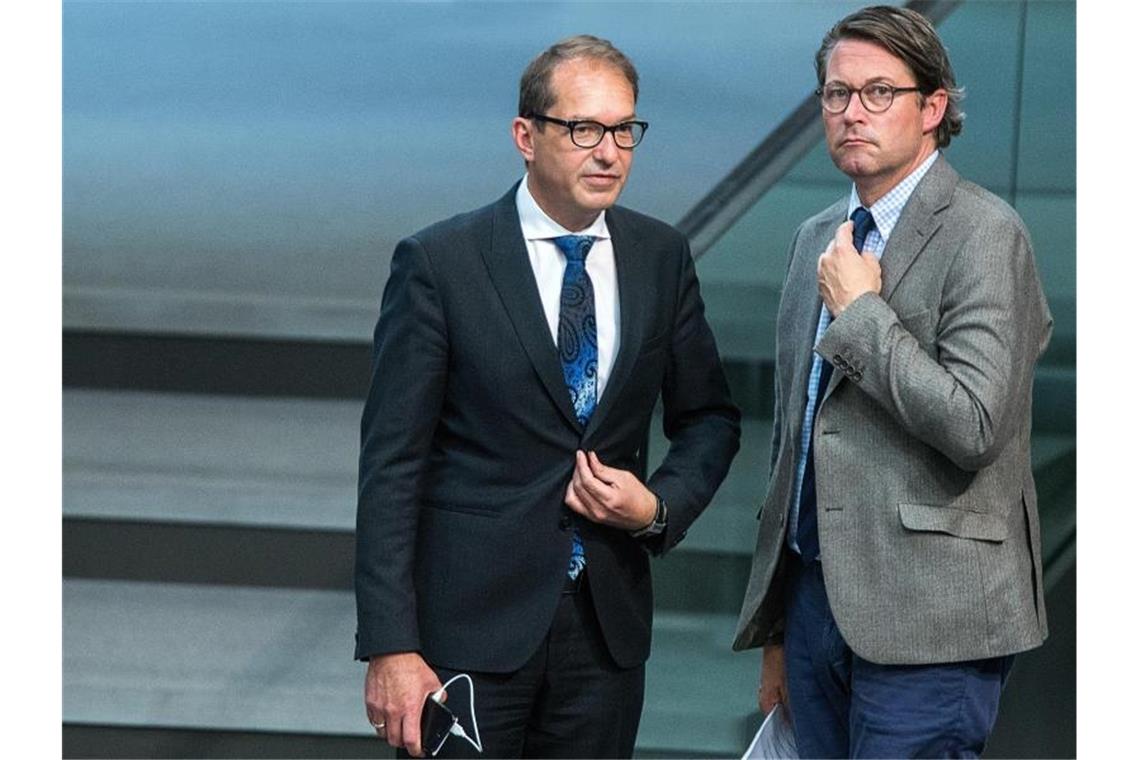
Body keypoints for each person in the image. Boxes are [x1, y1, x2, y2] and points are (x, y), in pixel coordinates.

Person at [355, 34, 741, 759]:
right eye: (585, 129)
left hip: (604, 635)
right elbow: (391, 465)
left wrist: (656, 508)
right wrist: (390, 645)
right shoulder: (441, 263)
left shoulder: (660, 256)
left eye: (625, 130)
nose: (609, 151)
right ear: (525, 137)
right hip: (464, 638)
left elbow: (711, 418)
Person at [733, 6, 1052, 758]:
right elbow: (794, 445)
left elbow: (974, 425)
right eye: (836, 94)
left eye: (879, 92)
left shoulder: (986, 231)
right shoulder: (816, 237)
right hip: (815, 613)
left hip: (932, 621)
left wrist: (864, 313)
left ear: (933, 107)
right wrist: (778, 625)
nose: (851, 113)